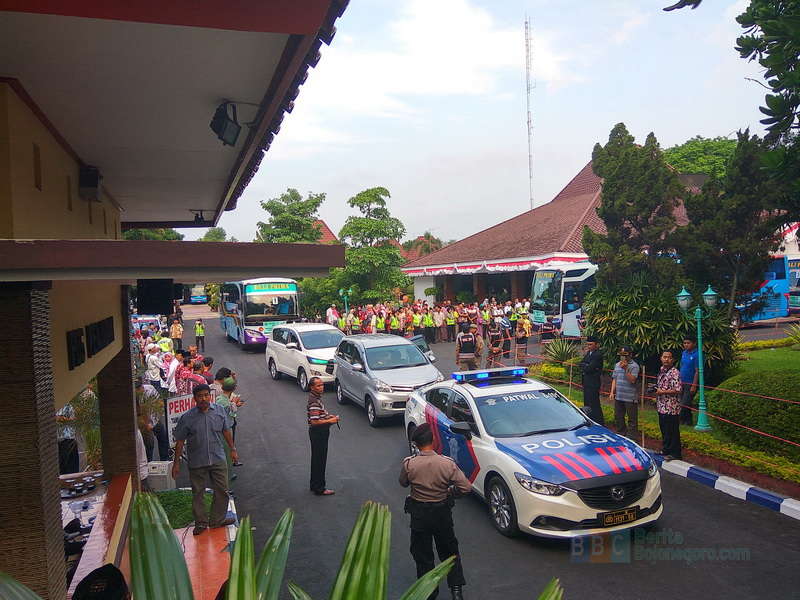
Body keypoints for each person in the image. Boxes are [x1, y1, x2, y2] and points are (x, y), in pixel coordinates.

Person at [400, 423, 470, 600]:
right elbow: (465, 487)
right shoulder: (447, 464)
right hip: (442, 514)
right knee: (449, 551)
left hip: (419, 515)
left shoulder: (410, 464)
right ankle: (456, 591)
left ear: (416, 444)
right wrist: (450, 492)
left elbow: (403, 482)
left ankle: (429, 593)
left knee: (423, 555)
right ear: (434, 440)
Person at [171, 384, 238, 535]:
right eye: (200, 396)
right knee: (198, 492)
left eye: (206, 395)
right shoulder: (187, 418)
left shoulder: (219, 411)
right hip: (197, 461)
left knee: (222, 489)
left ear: (210, 396)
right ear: (194, 398)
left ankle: (217, 520)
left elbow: (226, 431)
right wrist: (176, 464)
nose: (204, 398)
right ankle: (201, 523)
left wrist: (233, 449)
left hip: (217, 457)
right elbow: (180, 441)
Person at [307, 376, 339, 496]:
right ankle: (320, 488)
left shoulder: (315, 398)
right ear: (312, 387)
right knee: (320, 461)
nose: (321, 387)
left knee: (316, 460)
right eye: (318, 385)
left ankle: (314, 485)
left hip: (317, 433)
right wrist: (331, 421)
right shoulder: (314, 402)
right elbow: (314, 421)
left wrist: (328, 417)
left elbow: (318, 416)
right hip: (318, 433)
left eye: (322, 385)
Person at [655, 350, 683, 461]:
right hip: (661, 405)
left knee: (672, 430)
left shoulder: (674, 372)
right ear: (661, 358)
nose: (666, 359)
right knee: (664, 429)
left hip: (671, 407)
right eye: (664, 357)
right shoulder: (662, 370)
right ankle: (666, 449)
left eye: (669, 357)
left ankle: (675, 453)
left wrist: (662, 392)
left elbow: (678, 389)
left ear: (673, 360)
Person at [610, 347, 640, 437]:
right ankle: (621, 434)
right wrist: (612, 392)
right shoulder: (617, 365)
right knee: (618, 416)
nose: (623, 357)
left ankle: (632, 437)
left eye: (625, 355)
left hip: (630, 398)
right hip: (619, 396)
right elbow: (615, 378)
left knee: (632, 419)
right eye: (621, 355)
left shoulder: (634, 366)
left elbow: (633, 380)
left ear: (630, 355)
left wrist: (626, 368)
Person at [579, 336, 605, 425]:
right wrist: (585, 365)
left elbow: (589, 368)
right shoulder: (588, 353)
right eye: (588, 344)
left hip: (593, 383)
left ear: (596, 345)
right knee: (587, 402)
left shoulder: (597, 354)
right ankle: (589, 419)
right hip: (586, 382)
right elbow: (581, 363)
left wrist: (586, 366)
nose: (589, 346)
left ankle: (598, 422)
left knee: (594, 403)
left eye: (591, 344)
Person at [679, 337, 699, 426]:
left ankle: (679, 420)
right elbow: (682, 366)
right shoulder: (684, 353)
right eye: (684, 343)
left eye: (688, 343)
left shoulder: (697, 354)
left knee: (684, 403)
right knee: (684, 402)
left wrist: (694, 385)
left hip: (690, 383)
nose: (686, 345)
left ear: (694, 344)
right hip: (682, 381)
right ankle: (687, 421)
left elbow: (697, 371)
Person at [56, 402, 79, 474]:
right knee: (61, 468)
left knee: (71, 468)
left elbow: (74, 420)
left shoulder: (68, 406)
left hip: (68, 440)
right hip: (58, 441)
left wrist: (62, 419)